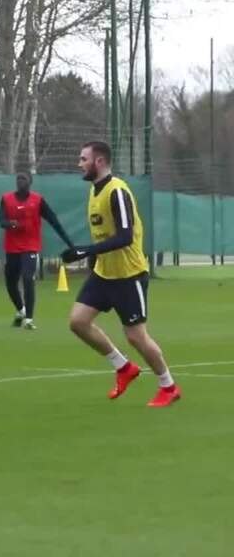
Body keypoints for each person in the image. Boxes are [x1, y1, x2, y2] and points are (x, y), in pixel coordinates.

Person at [62, 141, 180, 407]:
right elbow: (102, 233)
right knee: (78, 322)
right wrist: (91, 258)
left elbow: (125, 237)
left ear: (100, 161)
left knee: (136, 336)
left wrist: (86, 250)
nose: (79, 164)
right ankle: (124, 367)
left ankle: (168, 386)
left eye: (83, 159)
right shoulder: (94, 191)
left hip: (129, 275)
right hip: (104, 274)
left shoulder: (116, 191)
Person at [0, 172, 74, 329]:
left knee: (28, 278)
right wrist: (11, 224)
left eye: (24, 179)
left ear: (30, 182)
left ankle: (29, 319)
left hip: (30, 246)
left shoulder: (37, 200)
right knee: (10, 282)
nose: (20, 181)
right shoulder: (6, 199)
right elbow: (2, 221)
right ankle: (21, 310)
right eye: (18, 179)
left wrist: (69, 243)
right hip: (12, 247)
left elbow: (53, 221)